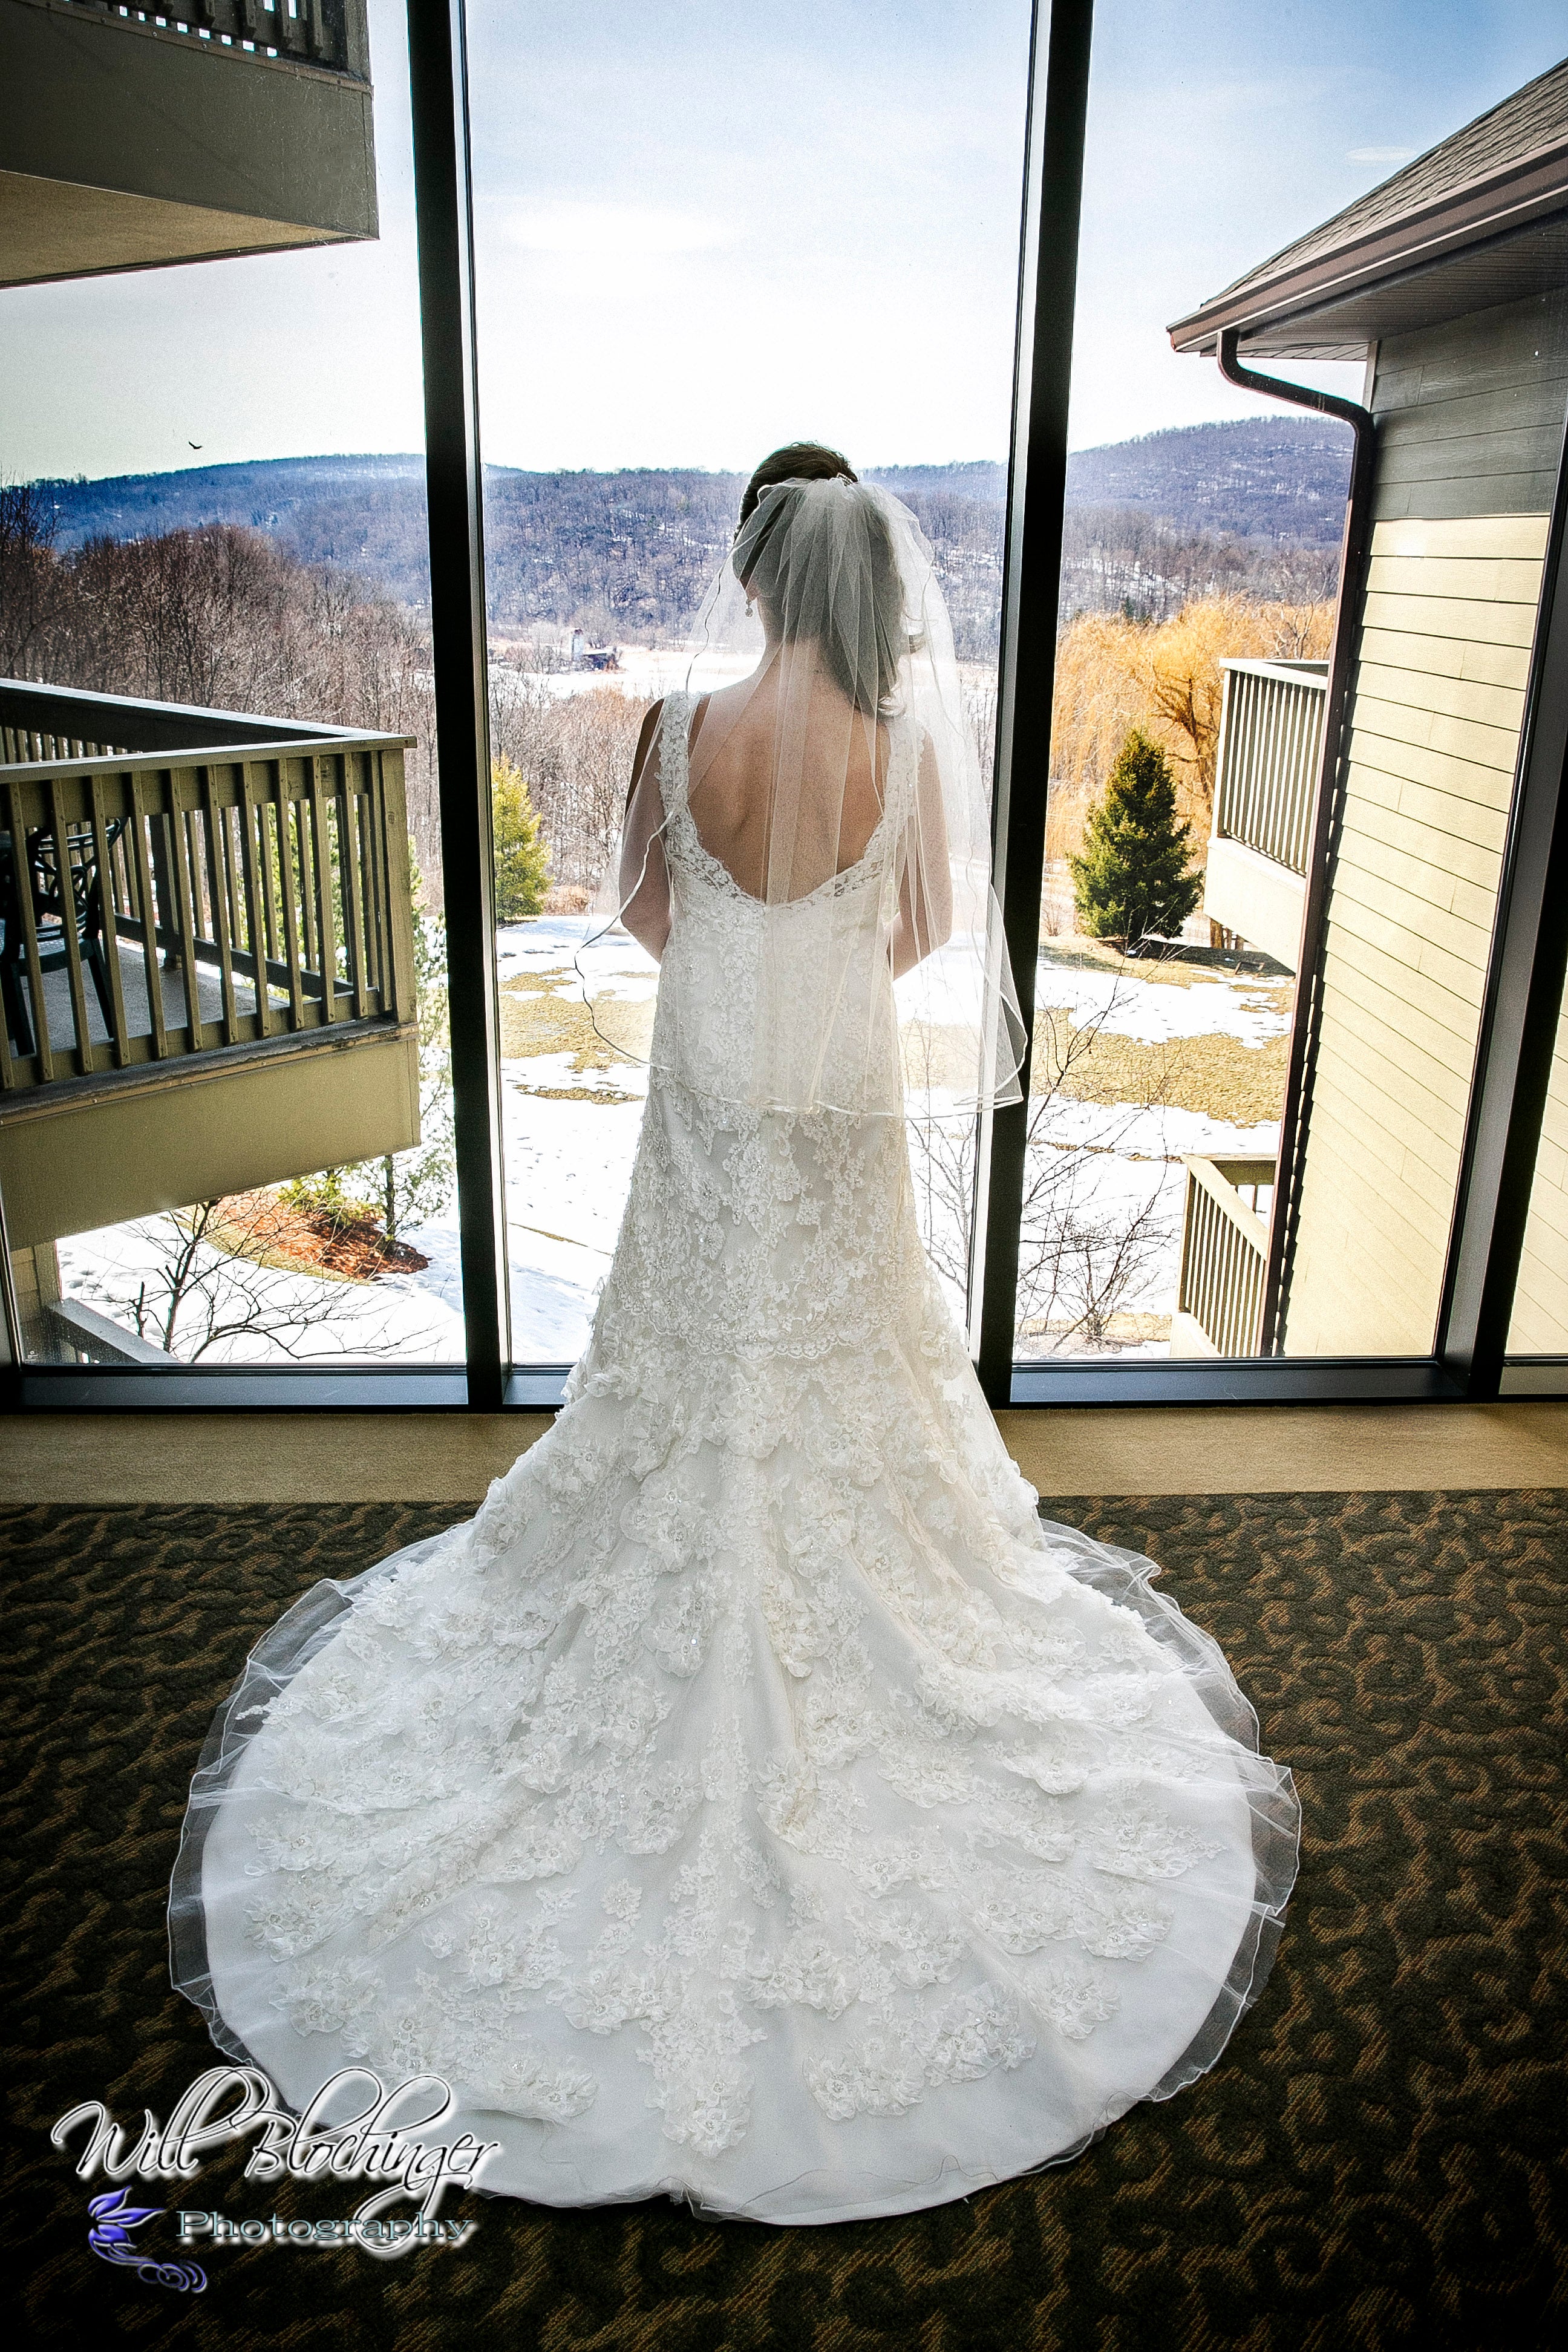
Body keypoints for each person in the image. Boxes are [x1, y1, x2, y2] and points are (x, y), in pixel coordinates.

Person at [170, 443, 1298, 2226]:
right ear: (864, 585)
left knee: (683, 1340)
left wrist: (735, 952)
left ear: (753, 576)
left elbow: (634, 904)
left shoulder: (672, 724)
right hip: (831, 1082)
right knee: (845, 1342)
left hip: (708, 1074)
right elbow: (926, 929)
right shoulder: (907, 742)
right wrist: (826, 952)